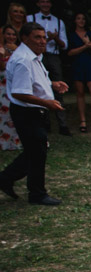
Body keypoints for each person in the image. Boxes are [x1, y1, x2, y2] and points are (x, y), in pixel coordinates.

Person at [0, 22, 68, 205]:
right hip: (27, 112)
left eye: (44, 37)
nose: (42, 41)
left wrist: (52, 85)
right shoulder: (23, 60)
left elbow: (33, 81)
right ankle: (37, 193)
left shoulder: (33, 57)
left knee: (35, 151)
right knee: (37, 152)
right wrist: (46, 102)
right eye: (37, 37)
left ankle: (5, 178)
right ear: (24, 38)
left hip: (34, 111)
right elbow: (19, 92)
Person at [26, 0, 69, 135]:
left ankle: (62, 124)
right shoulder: (30, 19)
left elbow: (65, 45)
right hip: (36, 55)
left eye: (48, 2)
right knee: (38, 88)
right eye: (42, 2)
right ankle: (43, 123)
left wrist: (54, 38)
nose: (45, 4)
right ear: (38, 4)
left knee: (59, 89)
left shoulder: (58, 22)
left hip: (53, 56)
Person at [67, 13, 91, 134]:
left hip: (90, 65)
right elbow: (69, 53)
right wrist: (84, 46)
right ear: (74, 21)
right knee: (80, 93)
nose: (81, 21)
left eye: (83, 19)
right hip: (78, 65)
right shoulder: (71, 35)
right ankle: (83, 121)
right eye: (78, 18)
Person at [1, 24, 21, 150]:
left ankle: (16, 142)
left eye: (13, 34)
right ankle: (3, 142)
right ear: (3, 35)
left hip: (16, 83)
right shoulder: (1, 49)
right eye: (8, 34)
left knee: (15, 112)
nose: (11, 36)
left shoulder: (20, 49)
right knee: (3, 111)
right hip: (3, 82)